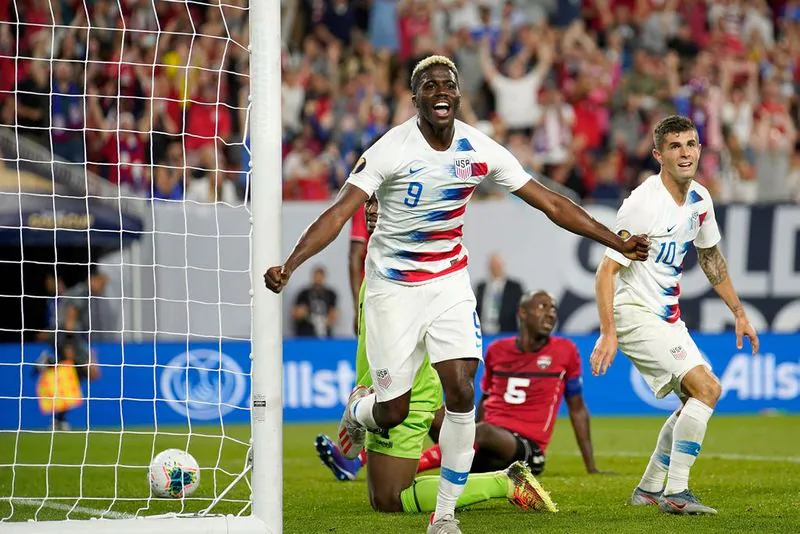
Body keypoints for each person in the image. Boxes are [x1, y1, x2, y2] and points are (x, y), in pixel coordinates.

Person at [265, 55, 649, 533]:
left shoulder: (478, 146)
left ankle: (444, 515)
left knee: (462, 390)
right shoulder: (390, 149)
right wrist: (292, 263)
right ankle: (359, 411)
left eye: (448, 84)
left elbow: (550, 201)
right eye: (429, 86)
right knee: (393, 410)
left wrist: (619, 243)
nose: (441, 92)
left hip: (448, 283)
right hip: (393, 291)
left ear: (459, 94)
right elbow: (339, 213)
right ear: (415, 98)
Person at [316, 198, 557, 516]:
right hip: (383, 390)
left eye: (382, 200)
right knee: (382, 498)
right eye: (369, 202)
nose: (372, 210)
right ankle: (360, 420)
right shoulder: (377, 270)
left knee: (390, 499)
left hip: (402, 394)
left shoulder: (417, 270)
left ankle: (506, 482)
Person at [591, 115, 760, 516]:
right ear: (658, 156)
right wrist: (608, 332)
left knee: (694, 398)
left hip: (667, 315)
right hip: (633, 311)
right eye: (675, 146)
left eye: (691, 144)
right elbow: (606, 270)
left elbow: (710, 257)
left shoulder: (700, 199)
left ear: (700, 149)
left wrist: (738, 311)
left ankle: (649, 489)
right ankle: (677, 492)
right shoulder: (642, 205)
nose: (685, 153)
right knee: (707, 390)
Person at [416, 290, 601, 476]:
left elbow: (577, 409)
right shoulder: (497, 350)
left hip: (528, 450)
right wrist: (470, 435)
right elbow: (485, 400)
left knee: (482, 432)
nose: (551, 313)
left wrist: (591, 466)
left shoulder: (565, 350)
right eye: (543, 306)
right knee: (431, 411)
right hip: (487, 439)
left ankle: (418, 466)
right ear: (522, 312)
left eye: (553, 308)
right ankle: (408, 463)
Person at [475, 254, 524, 334]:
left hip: (506, 332)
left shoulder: (514, 287)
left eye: (498, 265)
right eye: (493, 265)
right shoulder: (481, 287)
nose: (495, 268)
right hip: (483, 331)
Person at [291, 266, 338, 337]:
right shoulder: (304, 293)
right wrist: (304, 314)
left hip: (324, 334)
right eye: (316, 277)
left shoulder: (330, 294)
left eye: (320, 277)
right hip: (305, 334)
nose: (318, 280)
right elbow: (295, 313)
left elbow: (334, 314)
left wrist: (324, 321)